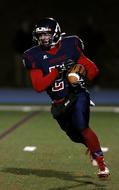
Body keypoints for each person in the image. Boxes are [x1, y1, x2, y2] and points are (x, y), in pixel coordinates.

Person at [22, 17, 110, 178]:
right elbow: (38, 86)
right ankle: (91, 147)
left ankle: (102, 164)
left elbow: (92, 68)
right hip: (59, 103)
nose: (43, 38)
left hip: (77, 94)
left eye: (47, 34)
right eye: (40, 35)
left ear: (55, 33)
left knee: (81, 125)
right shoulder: (33, 55)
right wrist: (57, 70)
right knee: (75, 136)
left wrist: (81, 74)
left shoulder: (71, 44)